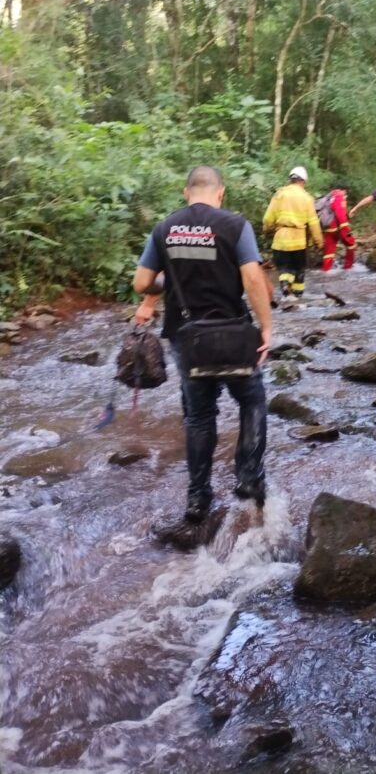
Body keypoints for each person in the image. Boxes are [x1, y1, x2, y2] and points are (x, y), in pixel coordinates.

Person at [133, 166, 272, 523]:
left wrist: (160, 288)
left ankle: (197, 500)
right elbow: (253, 278)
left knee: (198, 416)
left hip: (186, 336)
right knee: (252, 399)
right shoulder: (235, 225)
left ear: (186, 192)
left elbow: (142, 282)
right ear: (220, 192)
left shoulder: (164, 228)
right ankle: (248, 478)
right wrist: (267, 328)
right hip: (233, 333)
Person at [262, 166, 322, 297]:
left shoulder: (279, 194)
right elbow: (313, 223)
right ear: (303, 181)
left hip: (280, 240)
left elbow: (267, 219)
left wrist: (267, 230)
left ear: (290, 180)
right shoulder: (307, 198)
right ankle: (298, 298)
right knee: (299, 270)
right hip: (299, 243)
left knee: (284, 268)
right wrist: (319, 242)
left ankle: (284, 285)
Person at [321, 185, 356, 272]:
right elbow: (340, 213)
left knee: (329, 252)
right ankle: (348, 268)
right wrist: (346, 229)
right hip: (338, 228)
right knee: (351, 244)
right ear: (343, 190)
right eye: (346, 193)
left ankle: (326, 271)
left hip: (328, 227)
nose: (346, 195)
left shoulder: (330, 196)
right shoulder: (339, 196)